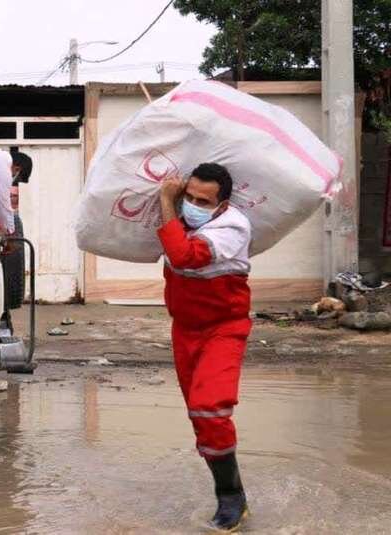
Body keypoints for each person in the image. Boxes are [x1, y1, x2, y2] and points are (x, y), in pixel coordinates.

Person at [157, 163, 251, 532]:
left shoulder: (232, 227)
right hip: (184, 330)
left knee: (210, 408)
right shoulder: (181, 222)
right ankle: (231, 493)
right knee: (199, 418)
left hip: (223, 329)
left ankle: (231, 498)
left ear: (222, 204)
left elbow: (184, 257)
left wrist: (167, 200)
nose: (193, 205)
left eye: (203, 201)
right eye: (189, 197)